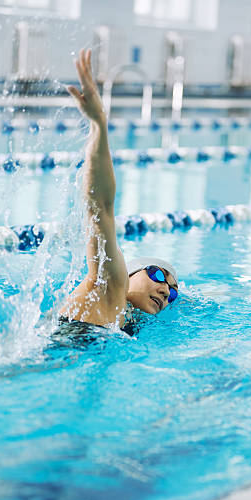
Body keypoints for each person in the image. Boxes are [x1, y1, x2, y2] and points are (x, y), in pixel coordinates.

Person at [59, 49, 178, 333]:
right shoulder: (111, 286)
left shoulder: (123, 317)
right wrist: (99, 125)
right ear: (130, 272)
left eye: (172, 292)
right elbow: (100, 208)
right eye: (158, 275)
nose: (165, 291)